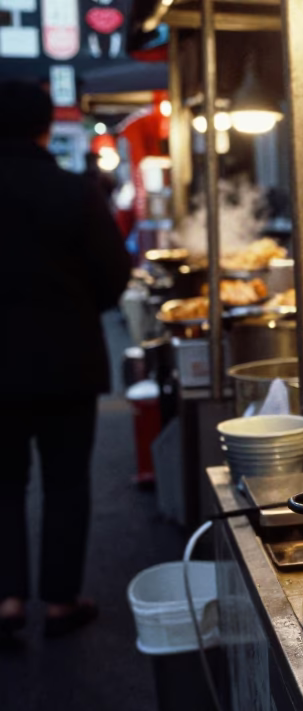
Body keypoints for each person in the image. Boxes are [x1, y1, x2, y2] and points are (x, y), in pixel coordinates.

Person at [0, 80, 132, 647]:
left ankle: (6, 600)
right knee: (66, 483)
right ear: (46, 126)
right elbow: (114, 273)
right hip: (66, 360)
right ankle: (59, 602)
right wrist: (79, 308)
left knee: (1, 486)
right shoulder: (74, 190)